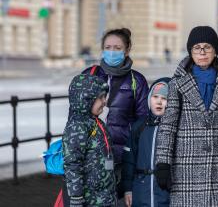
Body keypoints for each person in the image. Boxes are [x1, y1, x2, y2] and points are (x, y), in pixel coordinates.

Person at [155, 26, 218, 207]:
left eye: (207, 47)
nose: (202, 52)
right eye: (197, 47)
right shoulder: (177, 84)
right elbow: (168, 126)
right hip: (186, 167)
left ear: (215, 51)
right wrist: (163, 162)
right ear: (190, 51)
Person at [82, 28, 150, 198]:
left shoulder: (137, 80)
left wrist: (135, 155)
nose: (112, 52)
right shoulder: (90, 75)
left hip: (121, 157)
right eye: (108, 47)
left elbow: (143, 122)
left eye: (117, 48)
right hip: (91, 154)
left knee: (115, 199)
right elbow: (76, 114)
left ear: (127, 50)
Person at [63, 74, 116, 207]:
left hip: (105, 195)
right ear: (86, 99)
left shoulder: (97, 122)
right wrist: (76, 197)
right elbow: (73, 164)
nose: (105, 101)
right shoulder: (77, 126)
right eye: (101, 98)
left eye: (105, 97)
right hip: (89, 199)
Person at [121, 77, 171, 207]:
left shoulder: (176, 129)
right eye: (155, 97)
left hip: (166, 192)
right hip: (141, 191)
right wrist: (127, 189)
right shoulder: (139, 126)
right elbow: (129, 160)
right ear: (149, 99)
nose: (159, 102)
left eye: (164, 98)